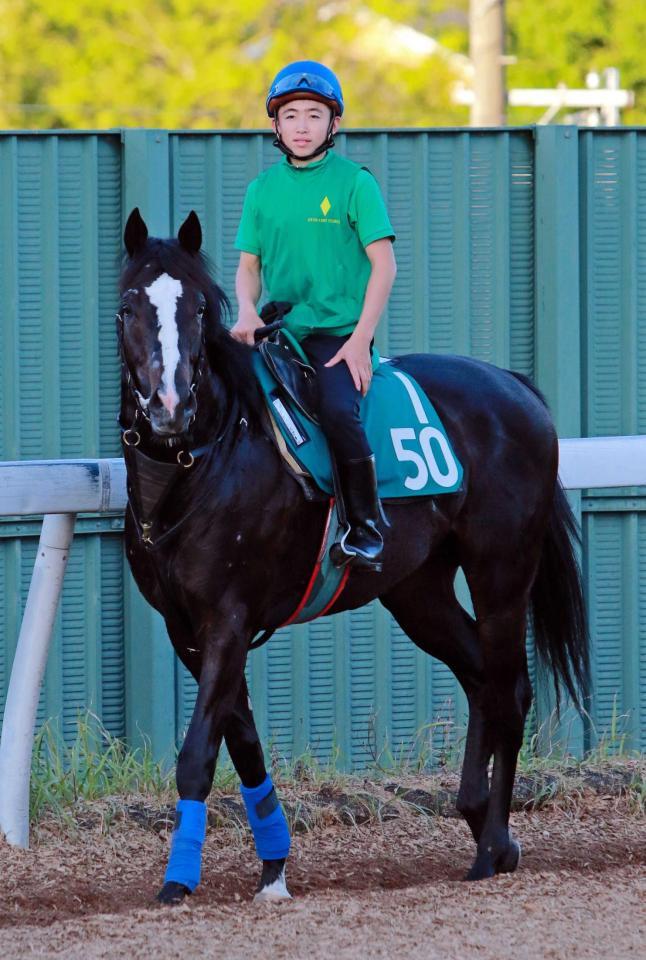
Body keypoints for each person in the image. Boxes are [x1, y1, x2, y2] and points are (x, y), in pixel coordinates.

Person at [231, 60, 397, 571]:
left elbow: (384, 267)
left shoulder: (355, 183)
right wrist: (244, 311)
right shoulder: (261, 190)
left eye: (314, 115)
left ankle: (365, 526)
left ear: (334, 124)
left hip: (336, 335)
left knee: (337, 410)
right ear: (275, 125)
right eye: (291, 115)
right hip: (277, 332)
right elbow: (248, 267)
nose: (302, 125)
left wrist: (359, 340)